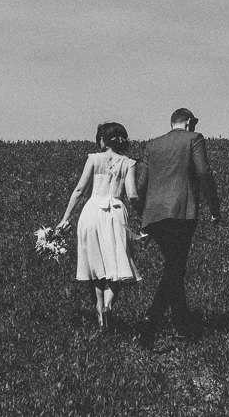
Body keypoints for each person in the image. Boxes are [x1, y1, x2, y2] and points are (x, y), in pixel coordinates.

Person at [134, 107, 221, 346]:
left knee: (175, 266)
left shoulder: (152, 145)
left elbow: (140, 184)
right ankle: (152, 318)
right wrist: (214, 208)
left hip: (154, 215)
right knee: (175, 267)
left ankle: (183, 325)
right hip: (182, 211)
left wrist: (143, 214)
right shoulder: (195, 138)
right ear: (189, 122)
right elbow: (203, 172)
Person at [56, 121, 142, 332]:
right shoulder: (129, 163)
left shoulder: (94, 159)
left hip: (92, 212)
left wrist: (65, 218)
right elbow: (131, 194)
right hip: (115, 213)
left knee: (95, 262)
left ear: (102, 140)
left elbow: (79, 190)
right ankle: (108, 304)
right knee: (118, 260)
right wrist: (143, 216)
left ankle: (98, 305)